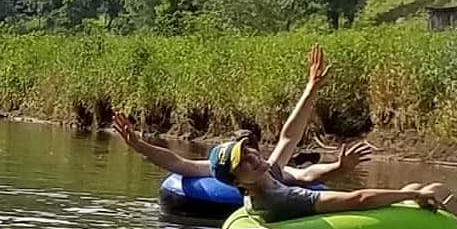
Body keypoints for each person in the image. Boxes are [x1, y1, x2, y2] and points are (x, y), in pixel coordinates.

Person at [112, 44, 371, 187]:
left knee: (294, 167)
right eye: (244, 153)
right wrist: (139, 145)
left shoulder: (274, 171)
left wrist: (311, 88)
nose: (252, 155)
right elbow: (177, 163)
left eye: (250, 150)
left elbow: (294, 148)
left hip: (278, 186)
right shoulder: (224, 169)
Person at [208, 134, 457, 229]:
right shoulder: (279, 198)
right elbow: (358, 199)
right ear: (236, 181)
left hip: (319, 215)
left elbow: (290, 140)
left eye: (249, 151)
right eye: (242, 161)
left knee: (415, 185)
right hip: (343, 228)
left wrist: (341, 167)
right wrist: (414, 194)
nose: (252, 157)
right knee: (434, 190)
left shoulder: (262, 181)